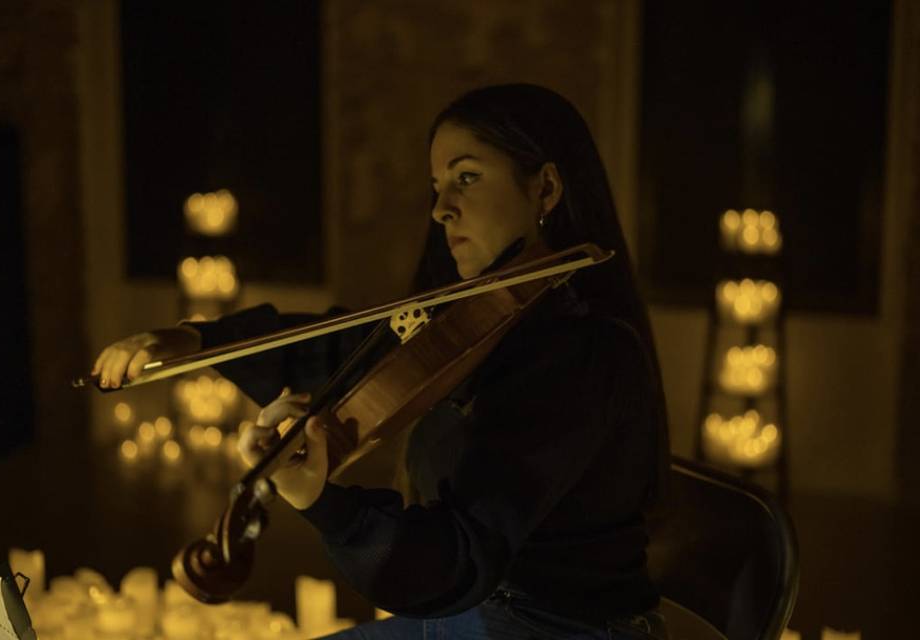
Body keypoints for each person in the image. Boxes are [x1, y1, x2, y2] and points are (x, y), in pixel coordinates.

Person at [92, 84, 670, 640]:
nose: (442, 208)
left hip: (560, 629)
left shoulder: (584, 352)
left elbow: (458, 558)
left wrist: (324, 501)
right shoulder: (485, 323)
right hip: (482, 617)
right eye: (437, 185)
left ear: (545, 189)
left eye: (467, 177)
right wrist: (197, 339)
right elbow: (342, 348)